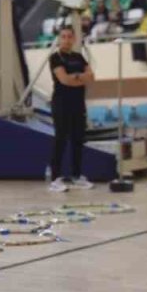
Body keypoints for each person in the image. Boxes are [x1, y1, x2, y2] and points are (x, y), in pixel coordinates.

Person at [48, 24, 94, 192]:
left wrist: (75, 77)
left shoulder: (79, 57)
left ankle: (76, 175)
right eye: (64, 37)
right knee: (60, 139)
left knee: (77, 139)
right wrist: (79, 77)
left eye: (69, 36)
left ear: (74, 39)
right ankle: (55, 178)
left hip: (78, 103)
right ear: (60, 39)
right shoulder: (56, 58)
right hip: (61, 103)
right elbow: (64, 80)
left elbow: (91, 77)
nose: (67, 40)